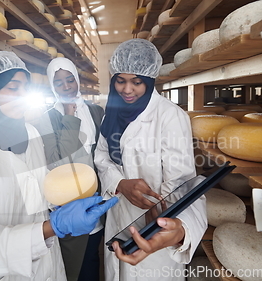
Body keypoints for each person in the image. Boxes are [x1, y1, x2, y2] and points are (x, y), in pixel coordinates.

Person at [0, 51, 118, 281]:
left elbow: (37, 194)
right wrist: (53, 227)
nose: (23, 95)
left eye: (25, 88)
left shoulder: (29, 134)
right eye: (13, 88)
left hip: (50, 267)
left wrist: (64, 204)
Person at [94, 39, 207, 280]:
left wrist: (161, 208)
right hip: (118, 214)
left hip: (155, 221)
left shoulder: (170, 116)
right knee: (118, 270)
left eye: (136, 82)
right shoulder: (111, 113)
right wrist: (120, 184)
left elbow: (181, 180)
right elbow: (102, 156)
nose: (127, 90)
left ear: (148, 80)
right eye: (120, 81)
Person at [31, 57, 105, 281]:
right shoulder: (45, 119)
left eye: (70, 80)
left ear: (77, 80)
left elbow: (102, 154)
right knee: (74, 265)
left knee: (92, 256)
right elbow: (58, 162)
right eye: (59, 83)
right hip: (68, 202)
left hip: (95, 197)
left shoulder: (94, 112)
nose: (66, 87)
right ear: (52, 87)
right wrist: (69, 116)